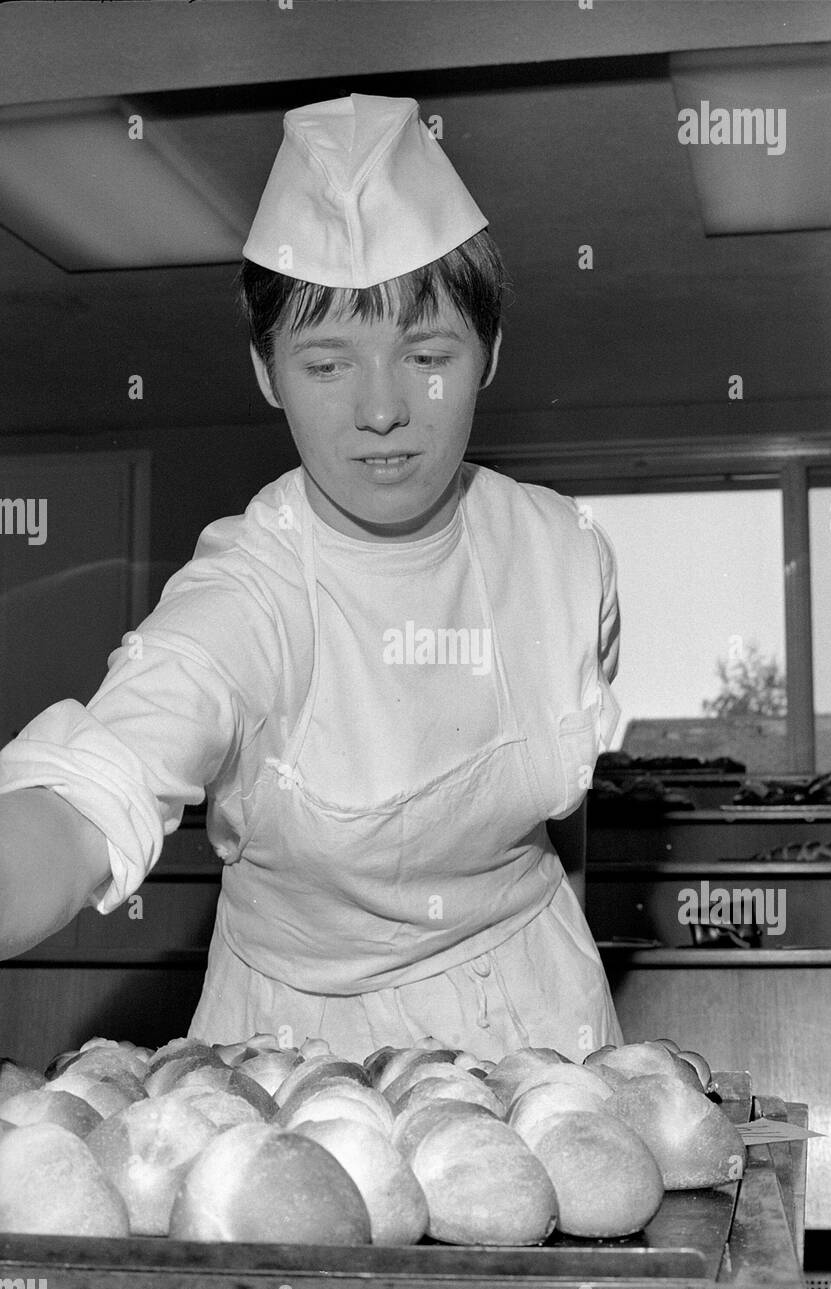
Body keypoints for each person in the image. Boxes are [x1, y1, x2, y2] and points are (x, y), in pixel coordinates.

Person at [0, 93, 623, 1062]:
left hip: (541, 1014)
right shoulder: (249, 590)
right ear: (264, 369)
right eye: (327, 363)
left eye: (425, 354)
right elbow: (91, 793)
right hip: (301, 1055)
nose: (381, 409)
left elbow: (569, 819)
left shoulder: (565, 555)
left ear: (489, 352)